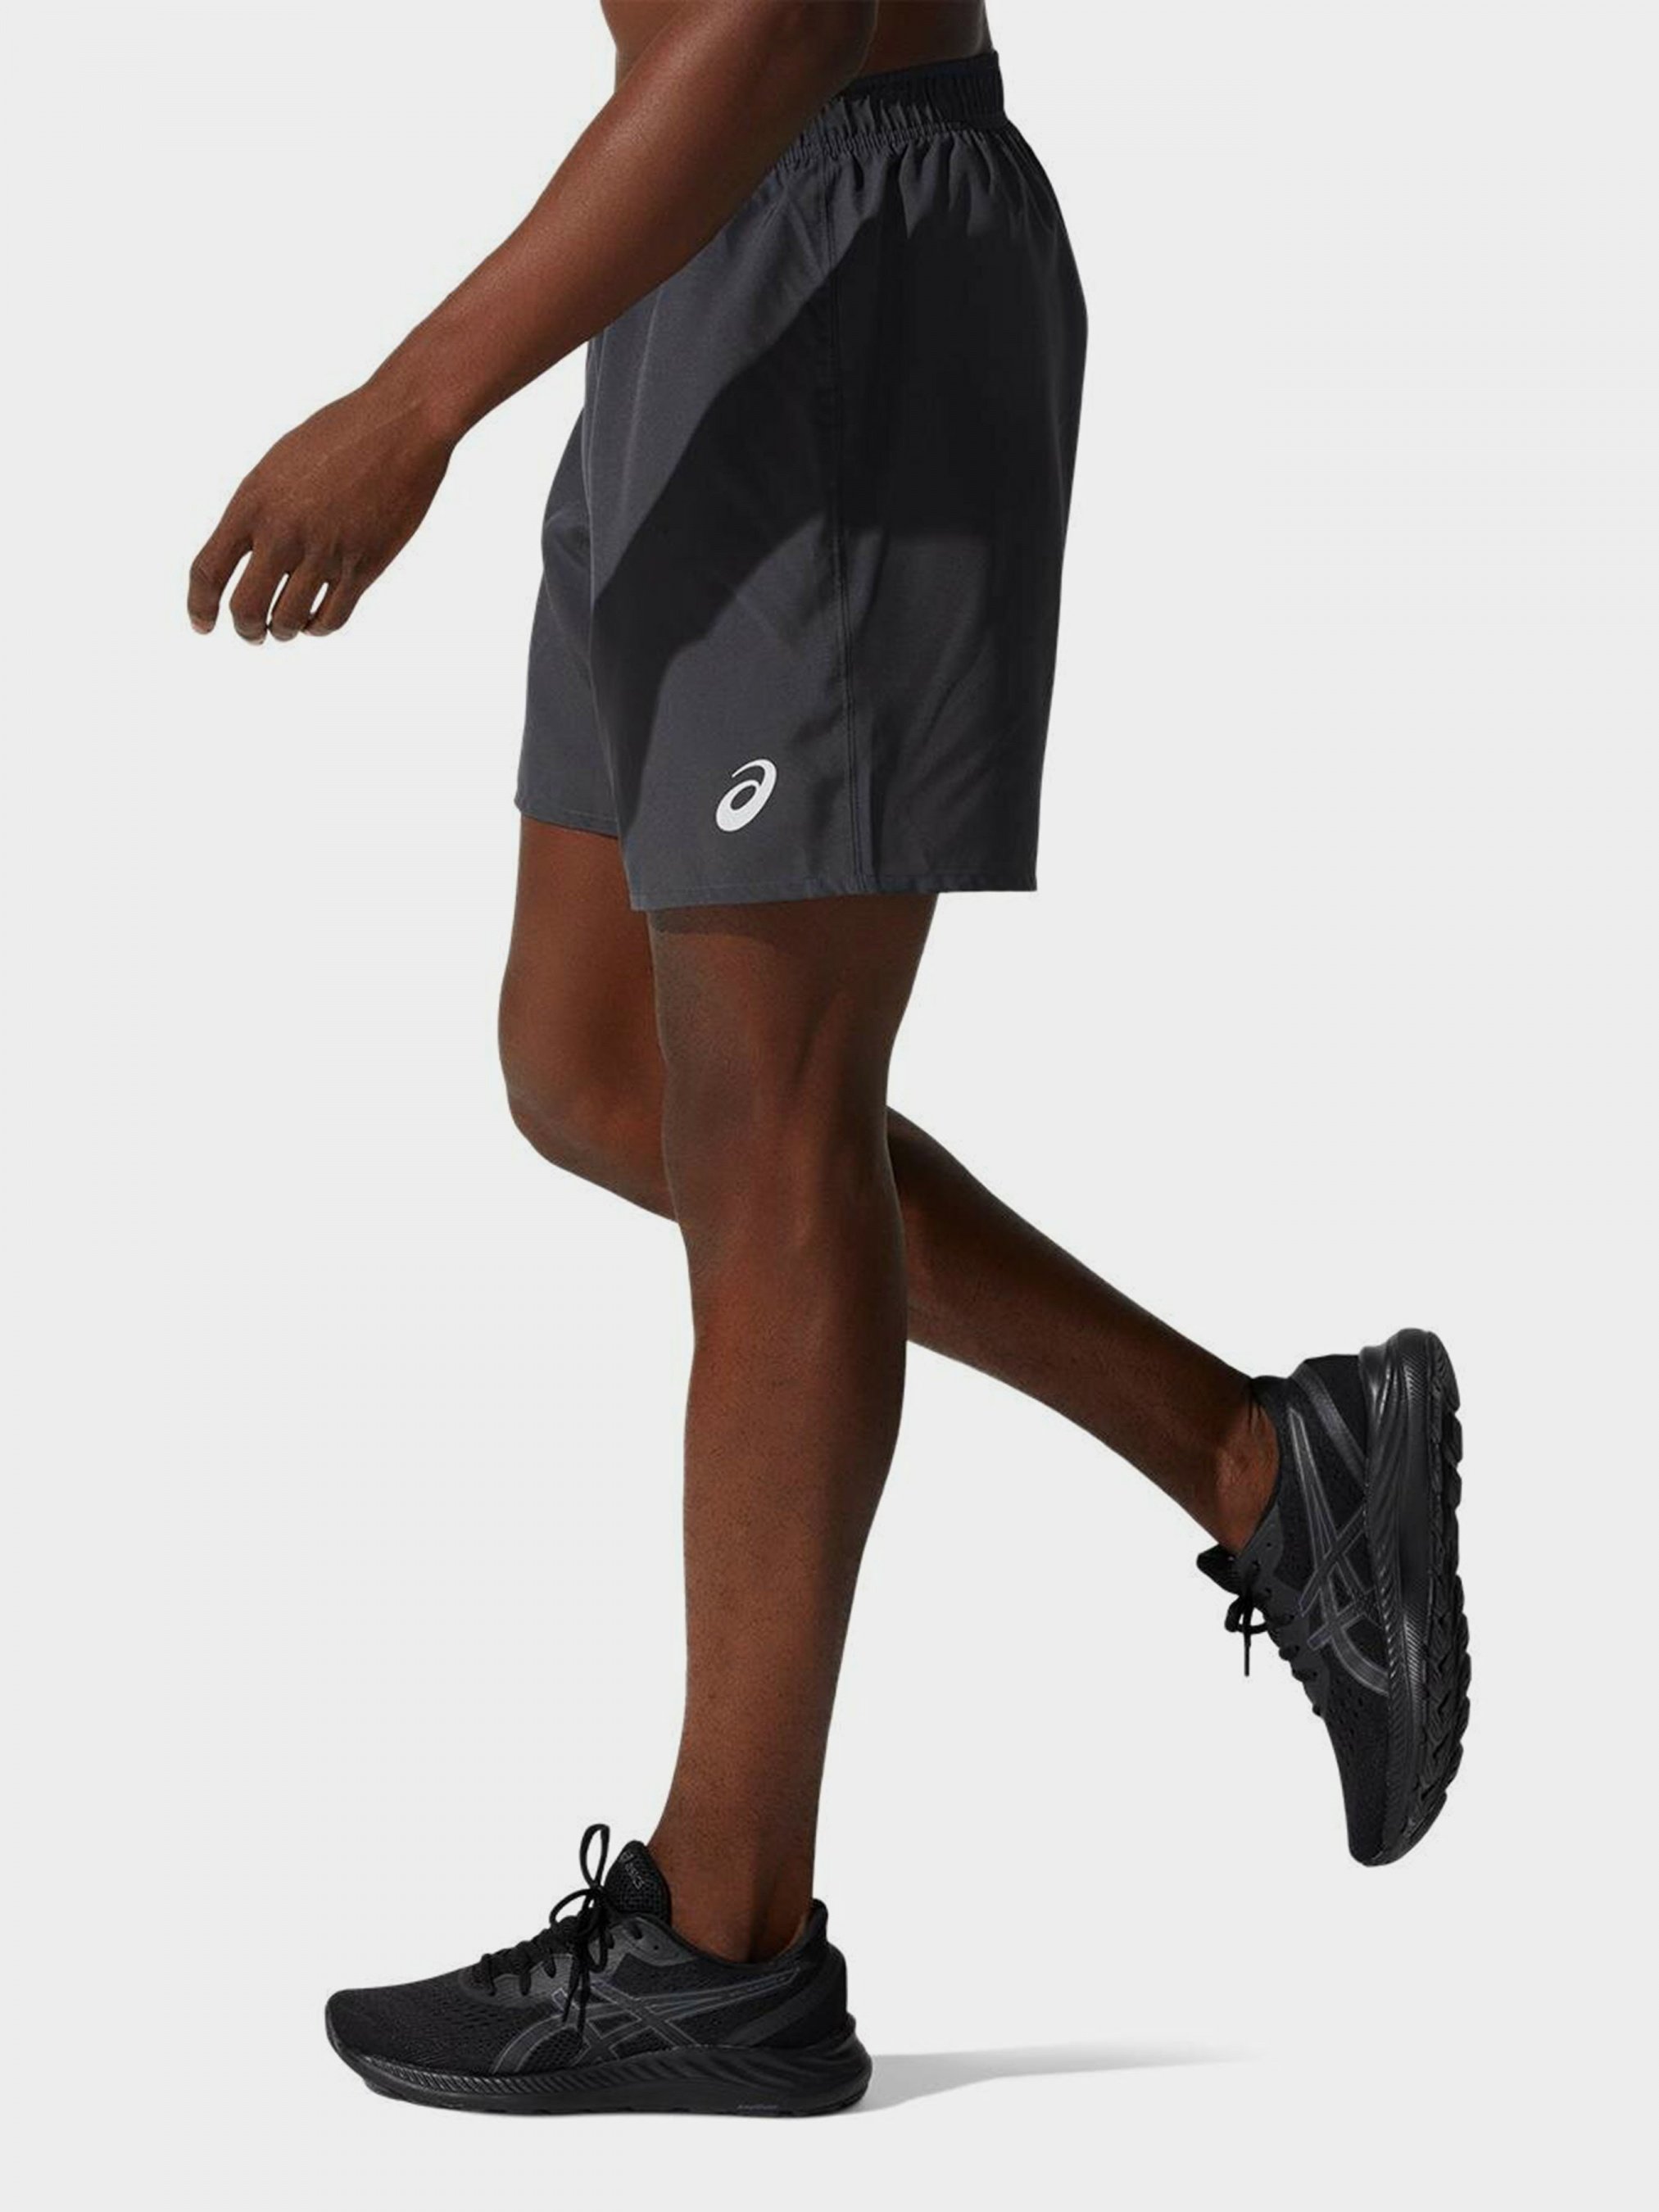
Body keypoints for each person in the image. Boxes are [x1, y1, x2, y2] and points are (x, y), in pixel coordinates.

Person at [188, 1, 1470, 2119]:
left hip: (834, 239)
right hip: (680, 237)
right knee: (597, 1068)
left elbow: (784, 13)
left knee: (770, 1119)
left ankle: (725, 1943)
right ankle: (1267, 1463)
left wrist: (412, 404)